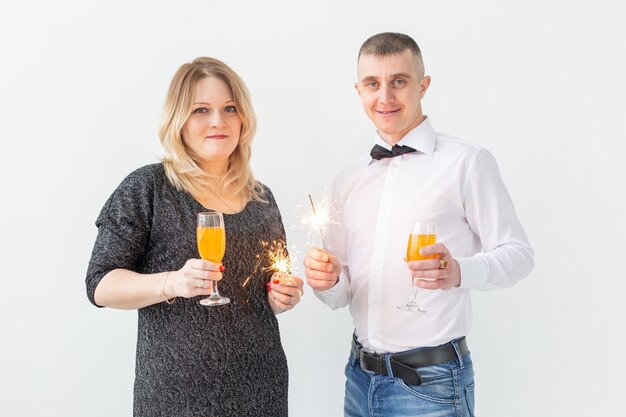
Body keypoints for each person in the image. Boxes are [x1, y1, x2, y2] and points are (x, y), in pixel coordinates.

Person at [304, 32, 534, 417]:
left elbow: (519, 255)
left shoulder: (466, 162)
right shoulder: (347, 180)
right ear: (358, 91)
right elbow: (340, 290)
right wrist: (324, 282)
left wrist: (459, 271)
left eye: (399, 82)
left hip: (432, 386)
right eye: (373, 84)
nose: (385, 97)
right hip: (359, 379)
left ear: (423, 85)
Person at [85, 57, 304, 417]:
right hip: (176, 396)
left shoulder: (261, 197)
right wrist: (172, 282)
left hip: (261, 388)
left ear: (243, 119)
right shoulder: (149, 188)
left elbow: (268, 290)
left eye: (229, 108)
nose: (218, 121)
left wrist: (283, 297)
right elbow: (100, 285)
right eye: (201, 109)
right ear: (179, 121)